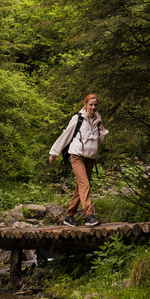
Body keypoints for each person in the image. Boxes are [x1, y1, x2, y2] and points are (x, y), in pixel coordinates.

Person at [49, 94, 109, 227]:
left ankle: (69, 216)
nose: (93, 107)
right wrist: (54, 153)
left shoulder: (98, 120)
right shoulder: (78, 119)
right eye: (91, 105)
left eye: (95, 105)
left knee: (80, 187)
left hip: (90, 158)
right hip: (77, 156)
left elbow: (100, 141)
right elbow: (66, 135)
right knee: (85, 184)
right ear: (85, 105)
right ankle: (89, 215)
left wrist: (102, 129)